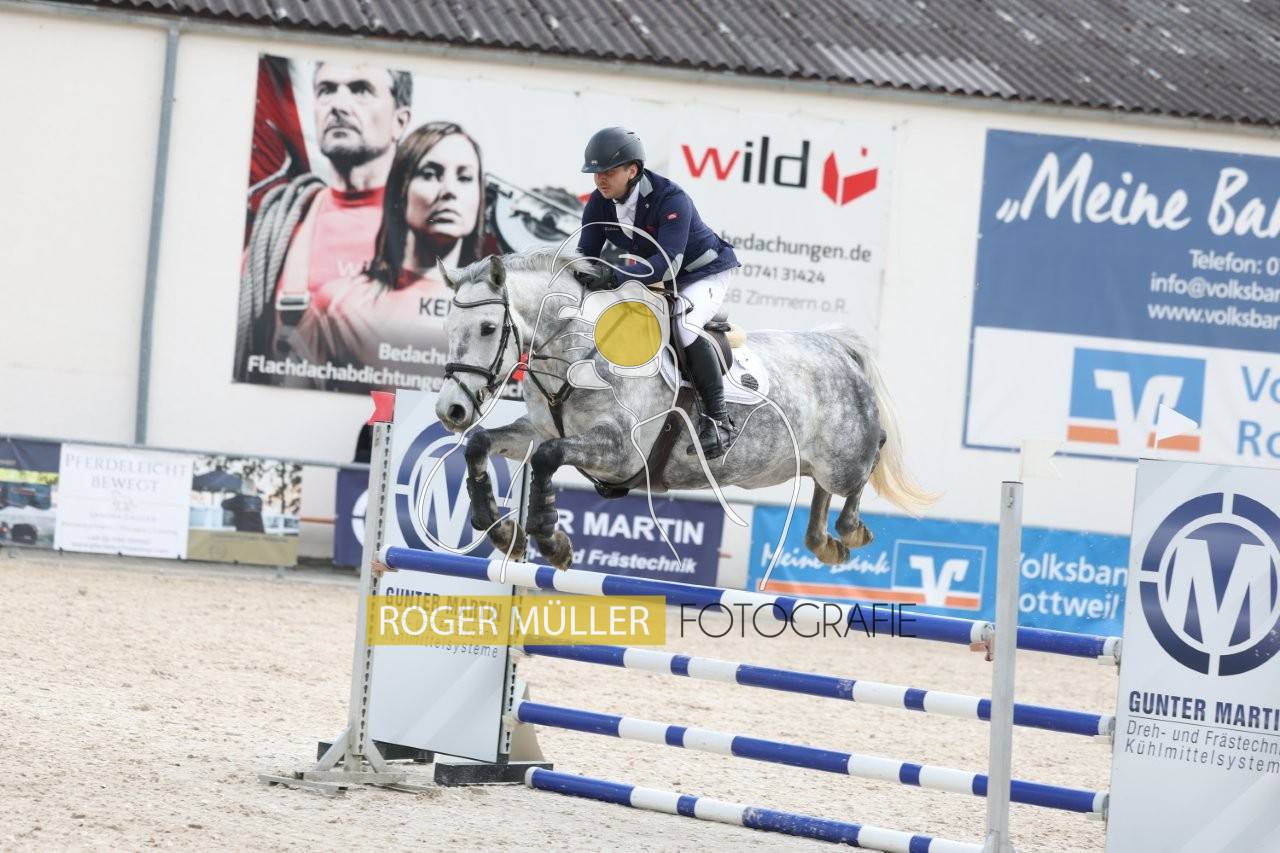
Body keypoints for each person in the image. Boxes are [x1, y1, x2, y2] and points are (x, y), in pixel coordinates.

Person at [237, 61, 413, 380]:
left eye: (361, 90)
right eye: (326, 90)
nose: (338, 105)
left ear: (399, 121)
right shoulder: (278, 229)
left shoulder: (431, 235)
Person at [575, 127, 741, 459]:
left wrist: (615, 275)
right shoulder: (599, 202)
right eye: (595, 173)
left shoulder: (671, 199)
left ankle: (718, 420)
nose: (600, 180)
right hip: (659, 276)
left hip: (702, 273)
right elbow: (584, 255)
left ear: (632, 170)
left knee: (684, 325)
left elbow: (667, 264)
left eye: (608, 172)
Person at [296, 122, 486, 393]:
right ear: (400, 190)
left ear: (479, 197)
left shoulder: (499, 313)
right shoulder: (337, 305)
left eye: (465, 178)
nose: (449, 190)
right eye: (430, 174)